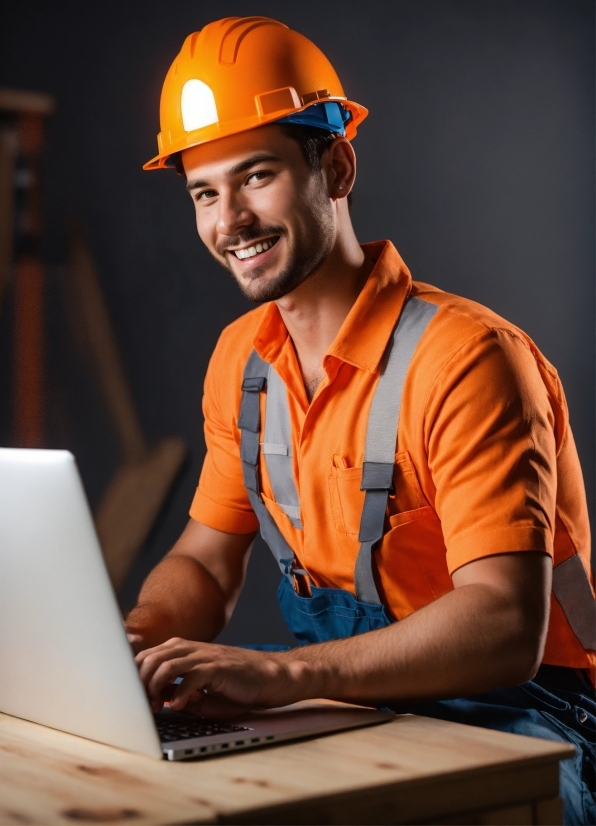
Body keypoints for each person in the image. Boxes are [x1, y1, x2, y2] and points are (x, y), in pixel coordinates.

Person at [127, 17, 595, 824]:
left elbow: (503, 623)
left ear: (335, 165)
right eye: (205, 191)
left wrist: (283, 678)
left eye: (257, 175)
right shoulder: (243, 362)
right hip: (349, 694)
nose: (228, 219)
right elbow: (204, 564)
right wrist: (137, 652)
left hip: (529, 713)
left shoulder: (467, 359)